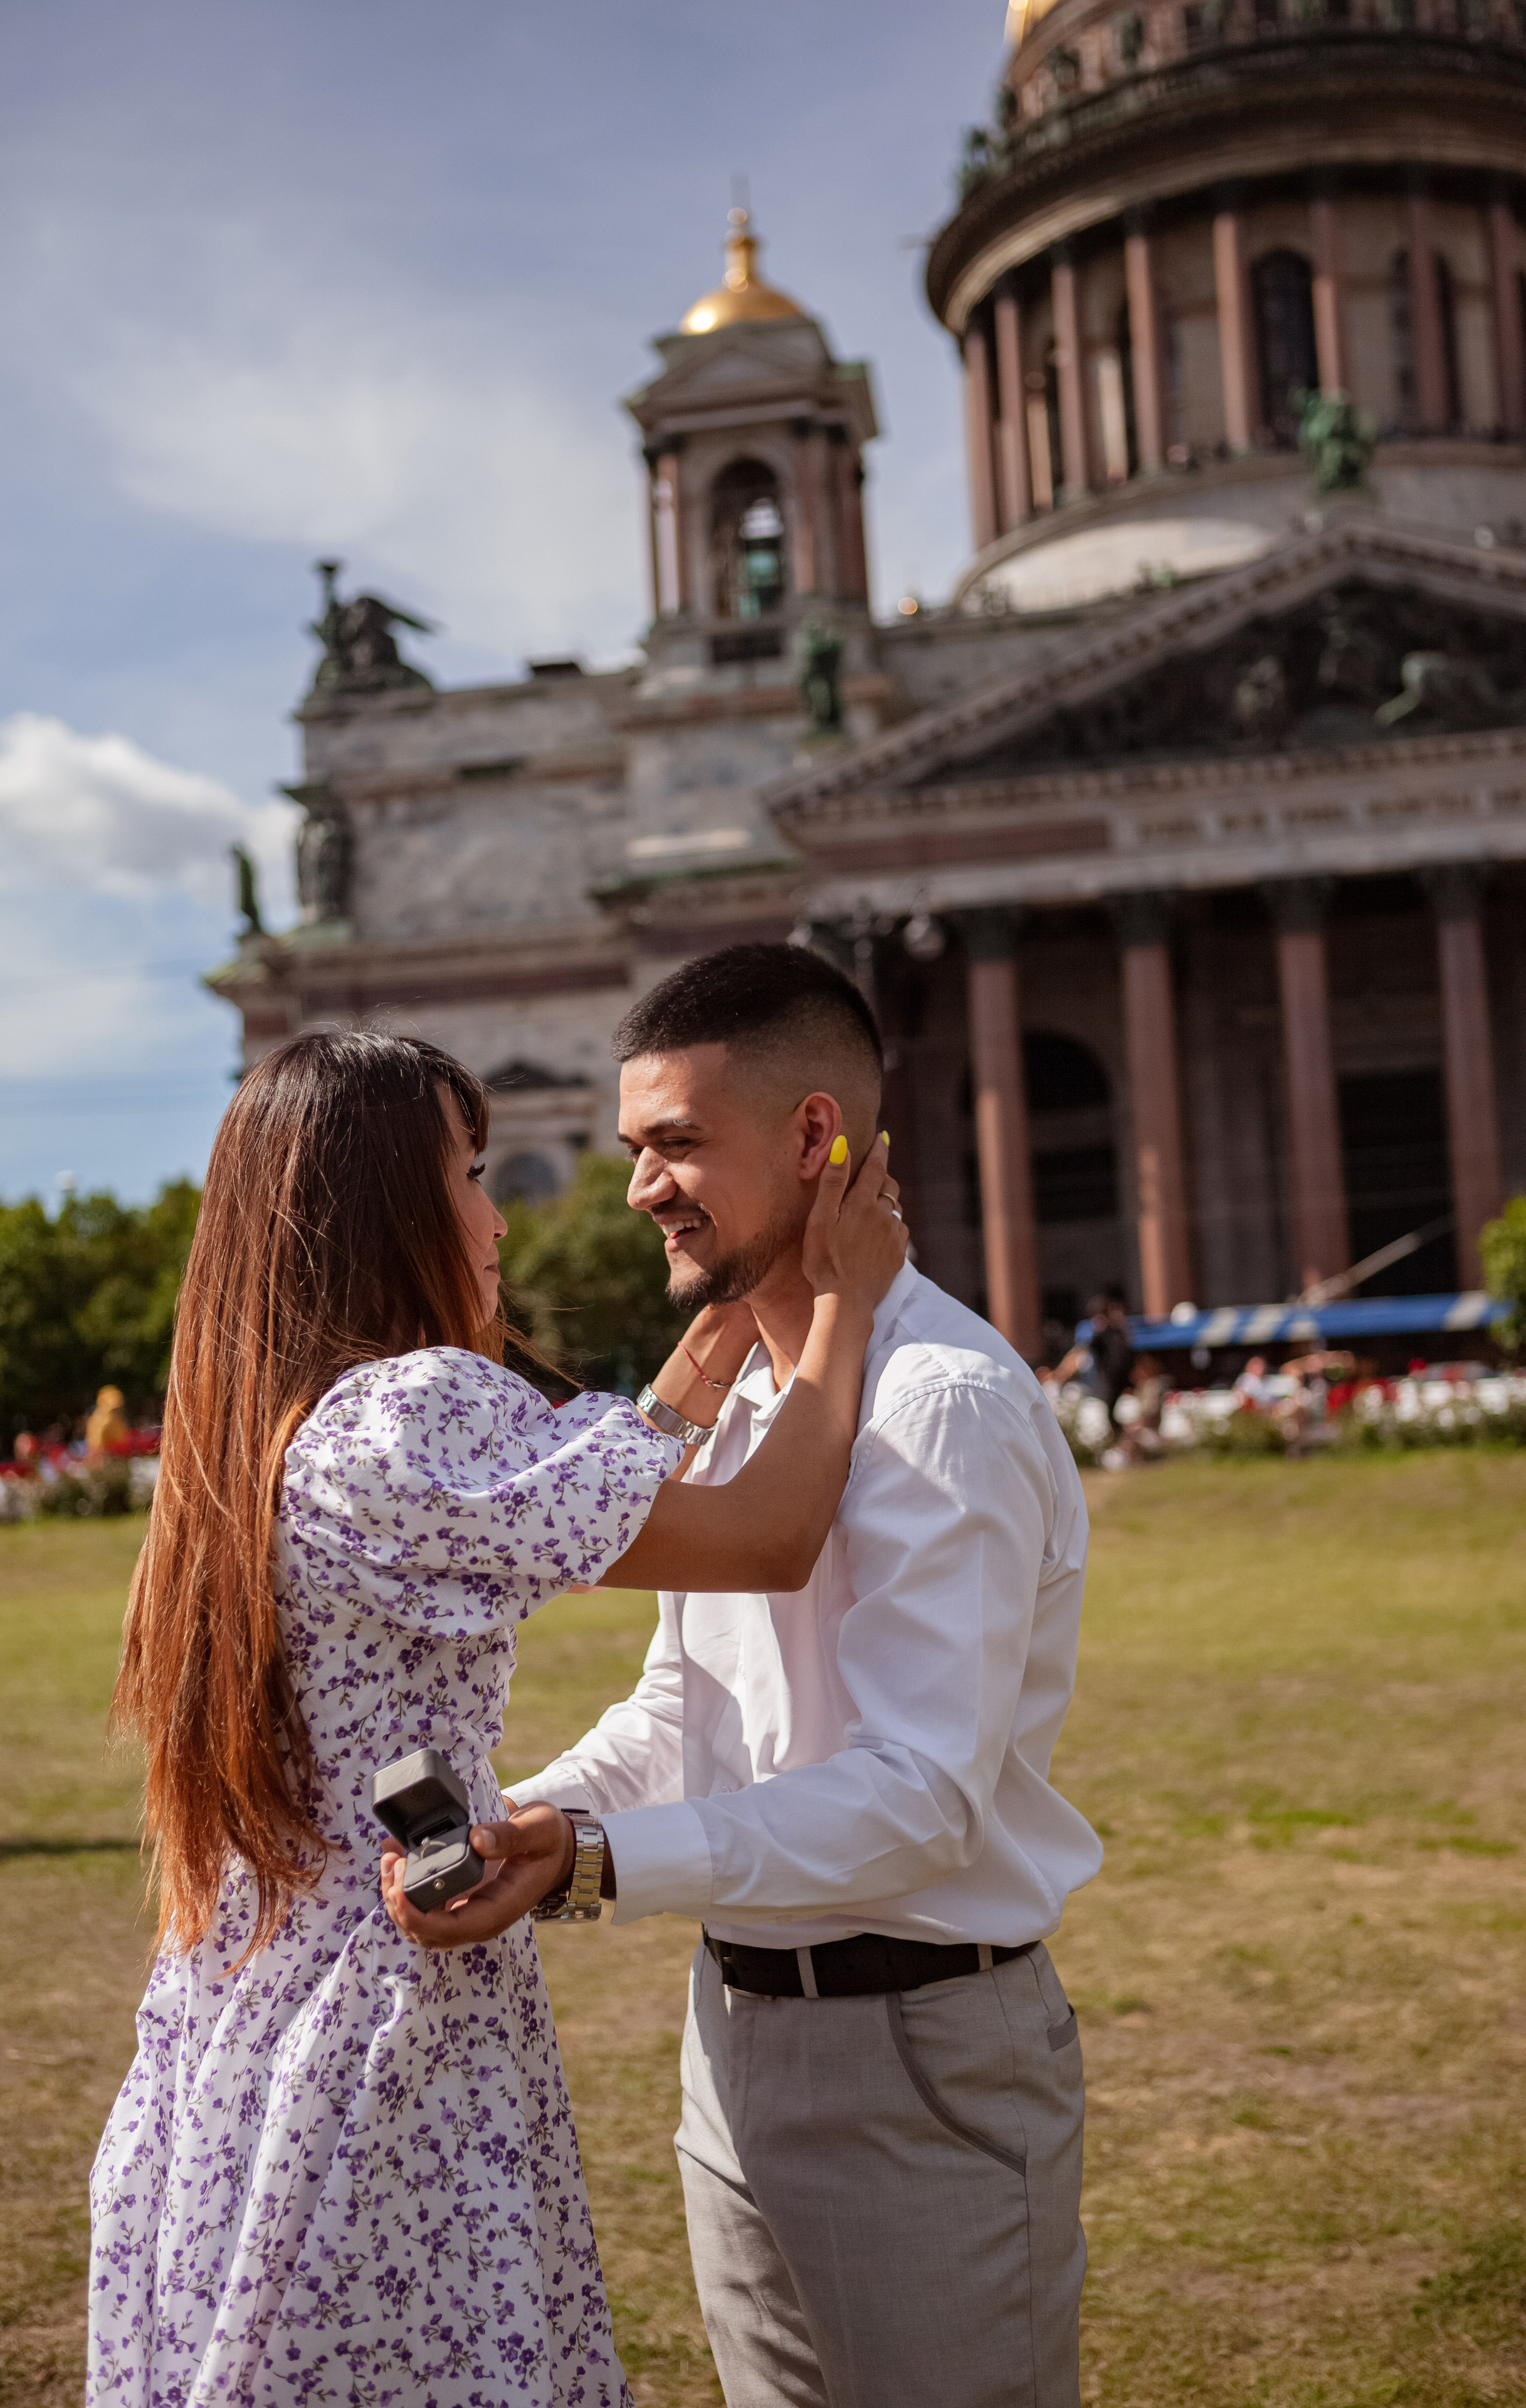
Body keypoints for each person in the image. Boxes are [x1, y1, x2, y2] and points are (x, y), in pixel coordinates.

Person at [90, 1027, 905, 2408]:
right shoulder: (413, 1409)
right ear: (381, 1205)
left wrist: (715, 1333)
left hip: (243, 2027)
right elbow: (768, 1535)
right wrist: (842, 1302)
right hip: (387, 2022)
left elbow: (577, 1482)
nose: (496, 1210)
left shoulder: (280, 1426)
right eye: (466, 1171)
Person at [387, 944, 1100, 2408]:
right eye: (635, 1142)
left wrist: (591, 1863)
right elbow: (682, 1710)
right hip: (734, 2036)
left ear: (814, 1139)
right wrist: (529, 1816)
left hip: (918, 2060)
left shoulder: (939, 1404)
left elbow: (919, 1800)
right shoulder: (752, 1401)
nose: (640, 1182)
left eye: (675, 1145)